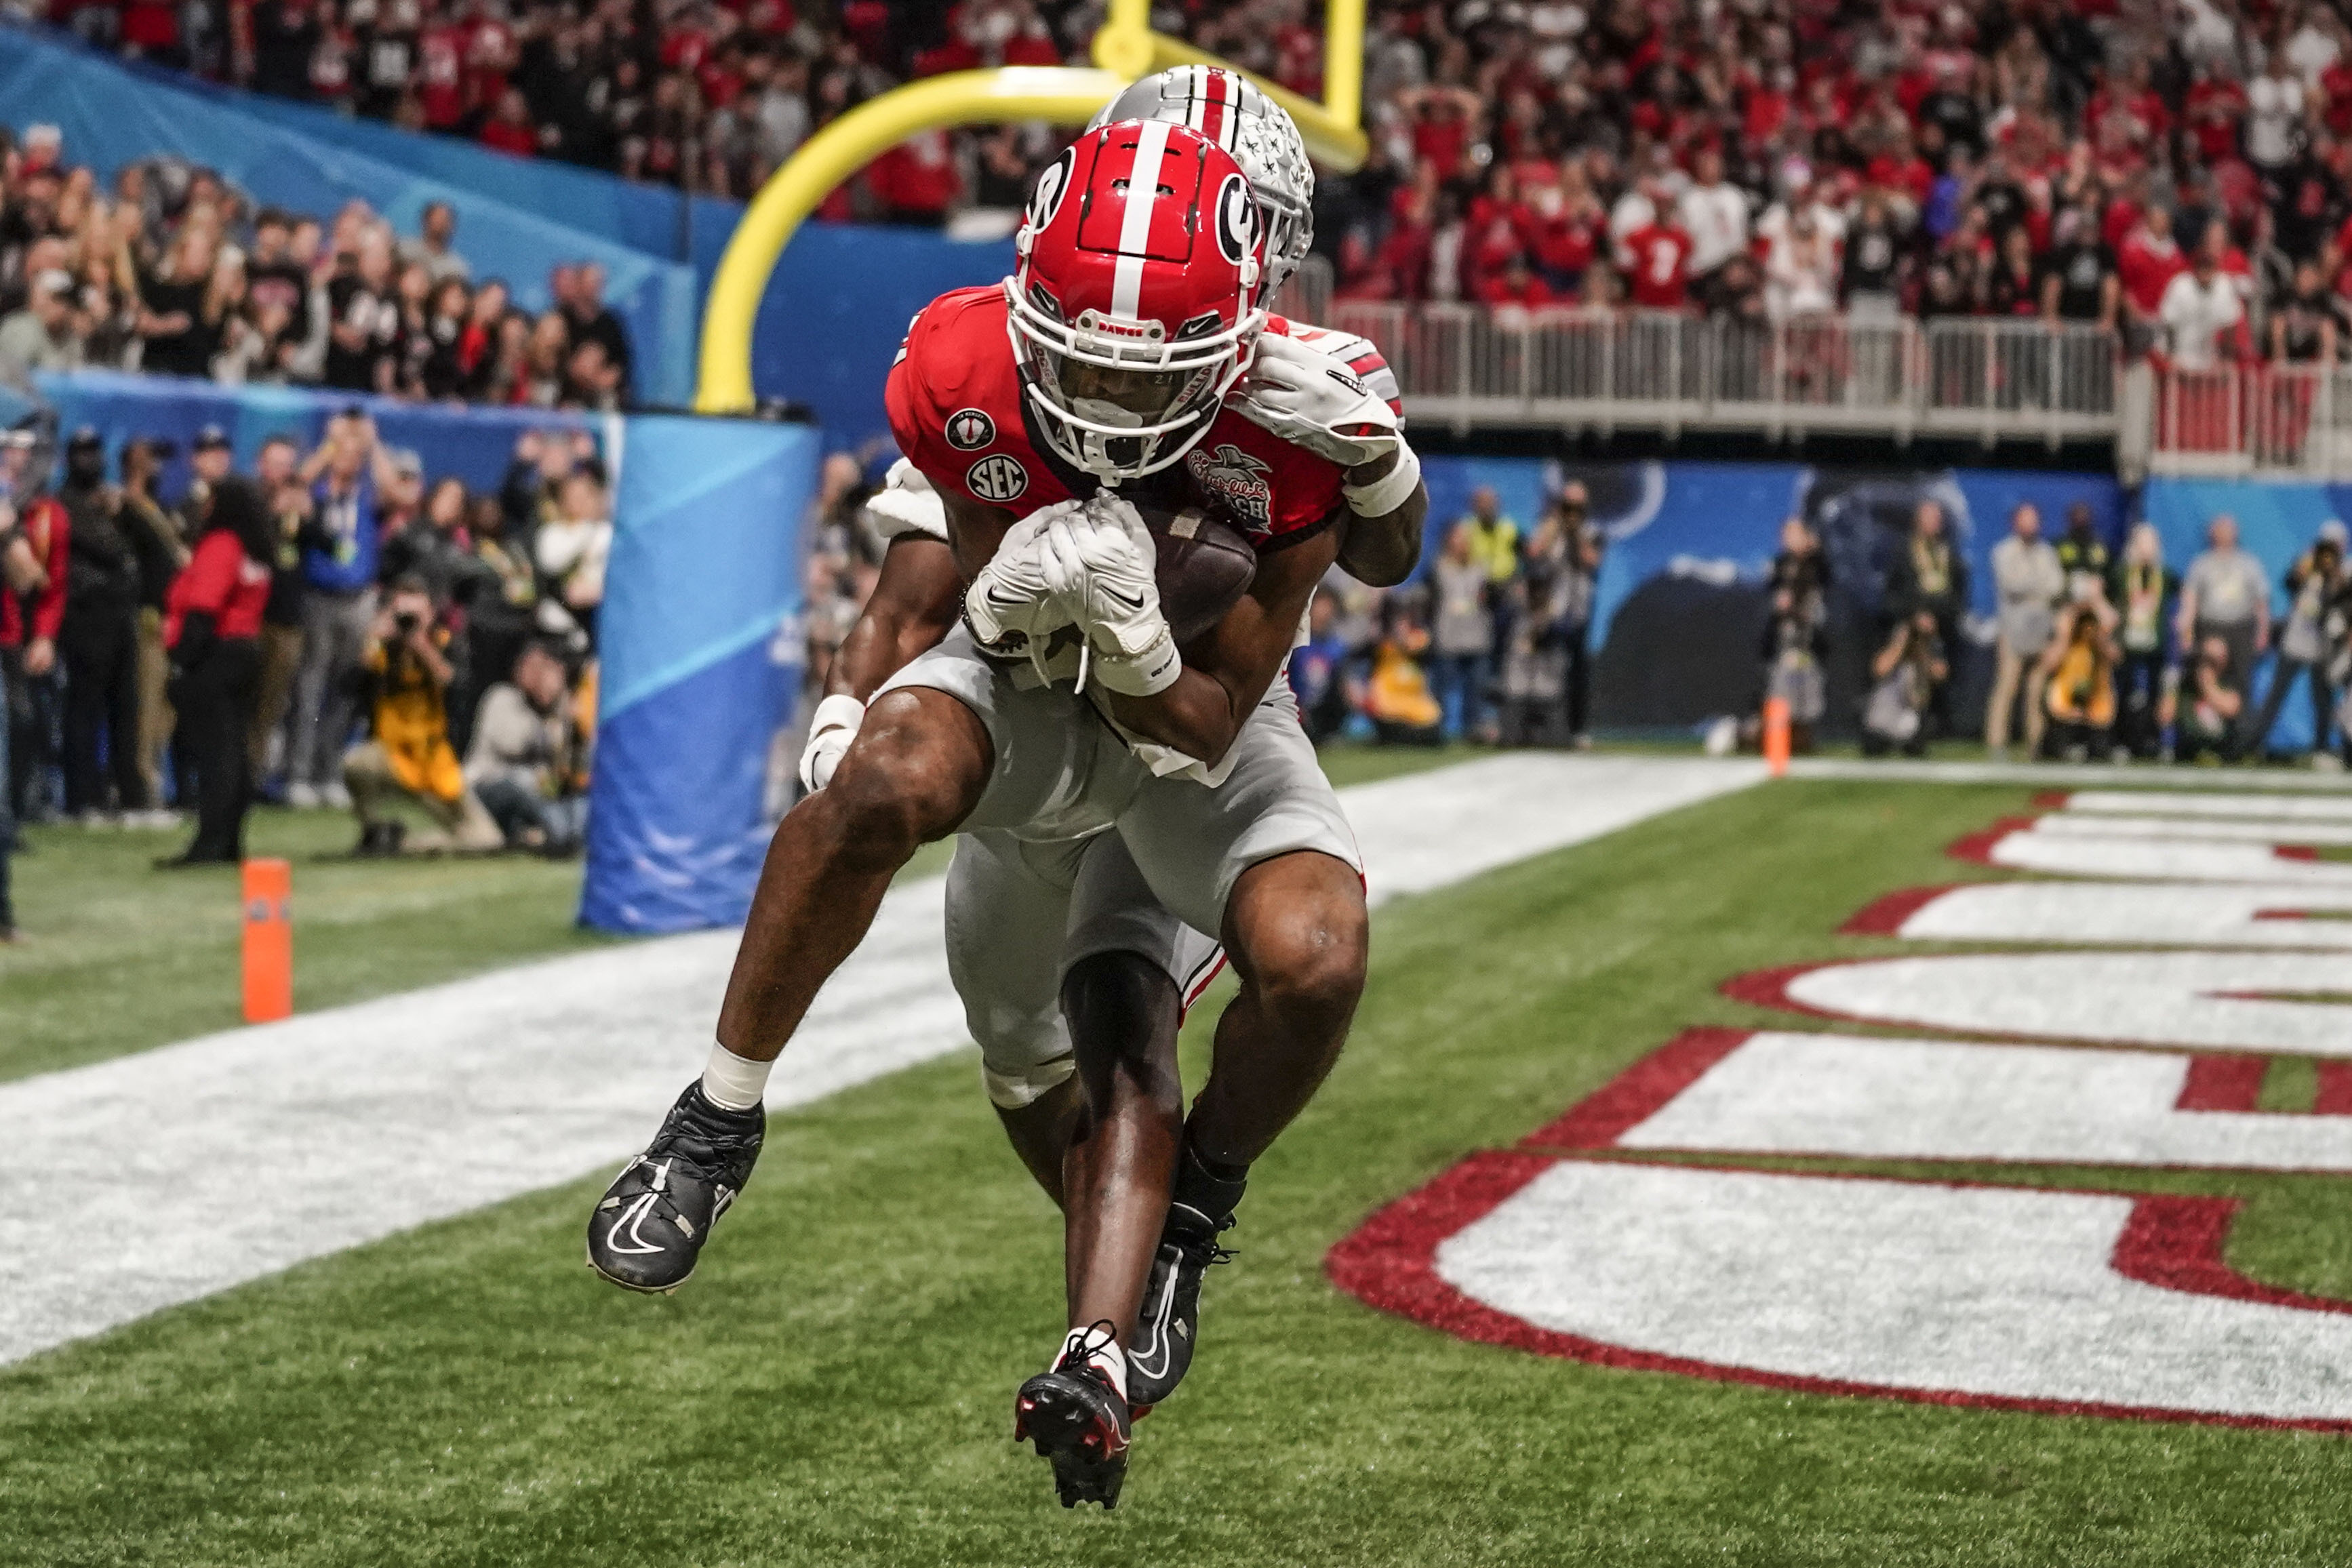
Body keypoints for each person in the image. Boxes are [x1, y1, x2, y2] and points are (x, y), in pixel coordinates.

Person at [585, 110, 1428, 1512]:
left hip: (1192, 727)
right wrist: (866, 708)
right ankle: (717, 1118)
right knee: (922, 841)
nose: (1097, 386)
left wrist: (1365, 479)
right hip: (1033, 686)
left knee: (1290, 961)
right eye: (1076, 345)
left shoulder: (1300, 409)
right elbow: (942, 601)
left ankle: (1164, 1250)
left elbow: (1218, 706)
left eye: (1134, 358)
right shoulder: (965, 355)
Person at [286, 413, 400, 808]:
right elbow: (294, 485)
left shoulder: (365, 497)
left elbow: (396, 493)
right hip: (319, 595)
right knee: (309, 687)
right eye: (342, 454)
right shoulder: (317, 494)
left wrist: (374, 444)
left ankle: (328, 772)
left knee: (344, 688)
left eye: (356, 455)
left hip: (359, 597)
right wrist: (330, 445)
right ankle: (298, 775)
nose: (348, 460)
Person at [341, 576, 501, 856]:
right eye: (403, 616)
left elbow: (458, 687)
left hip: (432, 760)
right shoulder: (382, 649)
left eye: (416, 616)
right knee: (355, 764)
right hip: (391, 756)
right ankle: (373, 827)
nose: (409, 623)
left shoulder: (443, 643)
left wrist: (421, 647)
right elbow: (350, 688)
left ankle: (407, 843)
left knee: (487, 839)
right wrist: (373, 643)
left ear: (430, 615)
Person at [159, 477, 273, 866]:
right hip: (245, 649)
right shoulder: (254, 548)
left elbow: (204, 605)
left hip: (216, 653)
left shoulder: (222, 544)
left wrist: (182, 662)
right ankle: (227, 841)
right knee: (235, 751)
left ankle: (209, 843)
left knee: (215, 754)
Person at [56, 428, 149, 823]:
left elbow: (146, 549)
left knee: (126, 710)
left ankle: (128, 797)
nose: (88, 460)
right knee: (85, 711)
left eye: (93, 452)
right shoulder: (65, 503)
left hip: (120, 616)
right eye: (81, 453)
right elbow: (113, 550)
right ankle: (83, 799)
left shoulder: (113, 501)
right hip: (86, 618)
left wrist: (126, 509)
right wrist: (117, 516)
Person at [118, 435, 191, 818]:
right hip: (148, 619)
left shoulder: (162, 508)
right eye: (148, 461)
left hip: (173, 618)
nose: (156, 468)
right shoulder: (128, 510)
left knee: (165, 709)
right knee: (146, 706)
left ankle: (154, 785)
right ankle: (142, 792)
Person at [463, 639, 586, 852]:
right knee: (523, 780)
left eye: (545, 668)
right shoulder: (502, 697)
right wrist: (547, 717)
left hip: (538, 796)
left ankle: (564, 832)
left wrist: (565, 714)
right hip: (486, 789)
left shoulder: (560, 707)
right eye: (532, 668)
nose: (538, 676)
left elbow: (567, 763)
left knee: (580, 800)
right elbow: (515, 744)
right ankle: (560, 834)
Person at [2252, 520, 2347, 759]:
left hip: (2322, 645)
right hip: (2296, 640)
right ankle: (2253, 744)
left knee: (2322, 702)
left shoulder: (2344, 571)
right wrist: (2303, 570)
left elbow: (2339, 603)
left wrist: (2334, 576)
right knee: (2276, 695)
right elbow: (2289, 584)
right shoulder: (2307, 562)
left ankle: (2322, 749)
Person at [2175, 513, 2271, 740]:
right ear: (2211, 533)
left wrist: (2263, 631)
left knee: (2242, 683)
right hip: (2210, 627)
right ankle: (2204, 736)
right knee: (2207, 679)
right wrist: (2186, 630)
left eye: (2229, 529)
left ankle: (2242, 739)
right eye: (2220, 529)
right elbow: (2190, 599)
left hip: (2241, 628)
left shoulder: (2249, 563)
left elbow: (2261, 601)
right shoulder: (2202, 563)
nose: (2224, 534)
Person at [1986, 503, 2064, 761]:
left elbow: (2057, 586)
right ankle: (1997, 744)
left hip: (2042, 630)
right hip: (2013, 630)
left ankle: (2036, 745)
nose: (2031, 525)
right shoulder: (2004, 551)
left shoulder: (2046, 552)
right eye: (2026, 519)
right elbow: (2012, 584)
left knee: (2037, 692)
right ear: (2015, 522)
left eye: (2035, 520)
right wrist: (2038, 588)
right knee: (2007, 687)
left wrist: (2035, 589)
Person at [1885, 500, 1968, 738]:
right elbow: (1892, 595)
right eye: (1929, 517)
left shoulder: (1948, 553)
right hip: (1910, 630)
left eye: (1938, 518)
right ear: (1918, 521)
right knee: (1907, 678)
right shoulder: (1904, 552)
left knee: (1939, 675)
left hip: (1942, 630)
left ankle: (1934, 726)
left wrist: (1940, 617)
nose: (1935, 523)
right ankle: (1901, 725)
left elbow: (1957, 594)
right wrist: (1914, 616)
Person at [1758, 516, 1830, 754]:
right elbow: (1769, 596)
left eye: (1796, 534)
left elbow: (1825, 580)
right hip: (1784, 639)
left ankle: (1804, 737)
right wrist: (1778, 604)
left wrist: (1814, 550)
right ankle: (1779, 739)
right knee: (1781, 689)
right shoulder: (1779, 565)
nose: (1791, 540)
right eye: (1787, 535)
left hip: (1808, 639)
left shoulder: (1816, 563)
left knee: (1808, 692)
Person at [2111, 523, 2176, 759]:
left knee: (2156, 695)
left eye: (2151, 545)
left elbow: (2186, 593)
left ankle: (2153, 741)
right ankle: (2122, 742)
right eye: (2143, 544)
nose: (2147, 550)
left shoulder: (2164, 575)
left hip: (2155, 644)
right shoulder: (2122, 573)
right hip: (2128, 643)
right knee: (2125, 694)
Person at [2039, 593, 2121, 761]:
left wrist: (2100, 635)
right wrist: (2066, 633)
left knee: (2099, 741)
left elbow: (2117, 656)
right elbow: (2049, 664)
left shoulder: (2097, 643)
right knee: (2059, 738)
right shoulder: (2065, 639)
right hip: (2066, 704)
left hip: (2093, 704)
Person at [1427, 523, 1490, 740]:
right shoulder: (1437, 569)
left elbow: (1488, 600)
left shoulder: (1481, 569)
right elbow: (1430, 603)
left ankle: (1473, 729)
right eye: (1459, 538)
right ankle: (1437, 729)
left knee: (1476, 689)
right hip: (1448, 638)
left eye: (1466, 539)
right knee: (1441, 689)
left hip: (1477, 637)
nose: (1464, 543)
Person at [1862, 612, 1946, 757]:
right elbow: (1880, 669)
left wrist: (1922, 650)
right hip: (1885, 714)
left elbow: (1940, 674)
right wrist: (1902, 643)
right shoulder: (1894, 651)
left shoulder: (1925, 655)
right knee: (1874, 744)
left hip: (1910, 716)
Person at [2170, 633, 2246, 763]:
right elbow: (2165, 715)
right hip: (2189, 748)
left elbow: (2231, 709)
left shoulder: (2230, 682)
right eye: (2207, 659)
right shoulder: (2186, 683)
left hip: (2222, 748)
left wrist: (2207, 686)